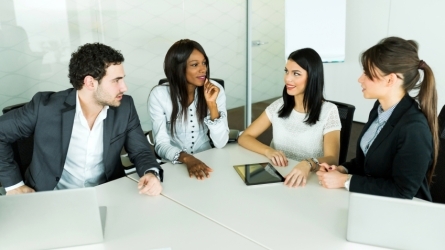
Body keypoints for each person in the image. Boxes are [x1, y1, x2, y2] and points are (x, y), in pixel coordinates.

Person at [0, 43, 163, 195]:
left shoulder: (124, 107)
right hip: (51, 196)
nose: (124, 87)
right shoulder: (45, 107)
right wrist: (14, 185)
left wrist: (150, 172)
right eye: (116, 80)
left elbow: (140, 151)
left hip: (105, 193)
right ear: (90, 82)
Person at [316, 37, 438, 201]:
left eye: (367, 73)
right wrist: (342, 170)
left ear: (390, 79)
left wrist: (346, 181)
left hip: (404, 212)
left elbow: (403, 192)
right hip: (372, 200)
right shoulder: (379, 109)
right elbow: (367, 162)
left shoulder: (414, 128)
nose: (360, 79)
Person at [238, 48, 341, 187]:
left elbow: (333, 159)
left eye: (296, 74)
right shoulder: (279, 105)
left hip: (308, 181)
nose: (287, 78)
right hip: (277, 176)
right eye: (286, 71)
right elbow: (245, 137)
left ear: (312, 77)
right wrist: (268, 151)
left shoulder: (329, 111)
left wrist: (308, 163)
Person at [148, 39, 229, 180]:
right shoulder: (159, 95)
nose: (203, 69)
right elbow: (160, 145)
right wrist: (187, 158)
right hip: (174, 165)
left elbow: (221, 143)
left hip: (209, 161)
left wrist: (212, 105)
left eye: (204, 63)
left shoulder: (215, 90)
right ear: (178, 68)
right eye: (194, 65)